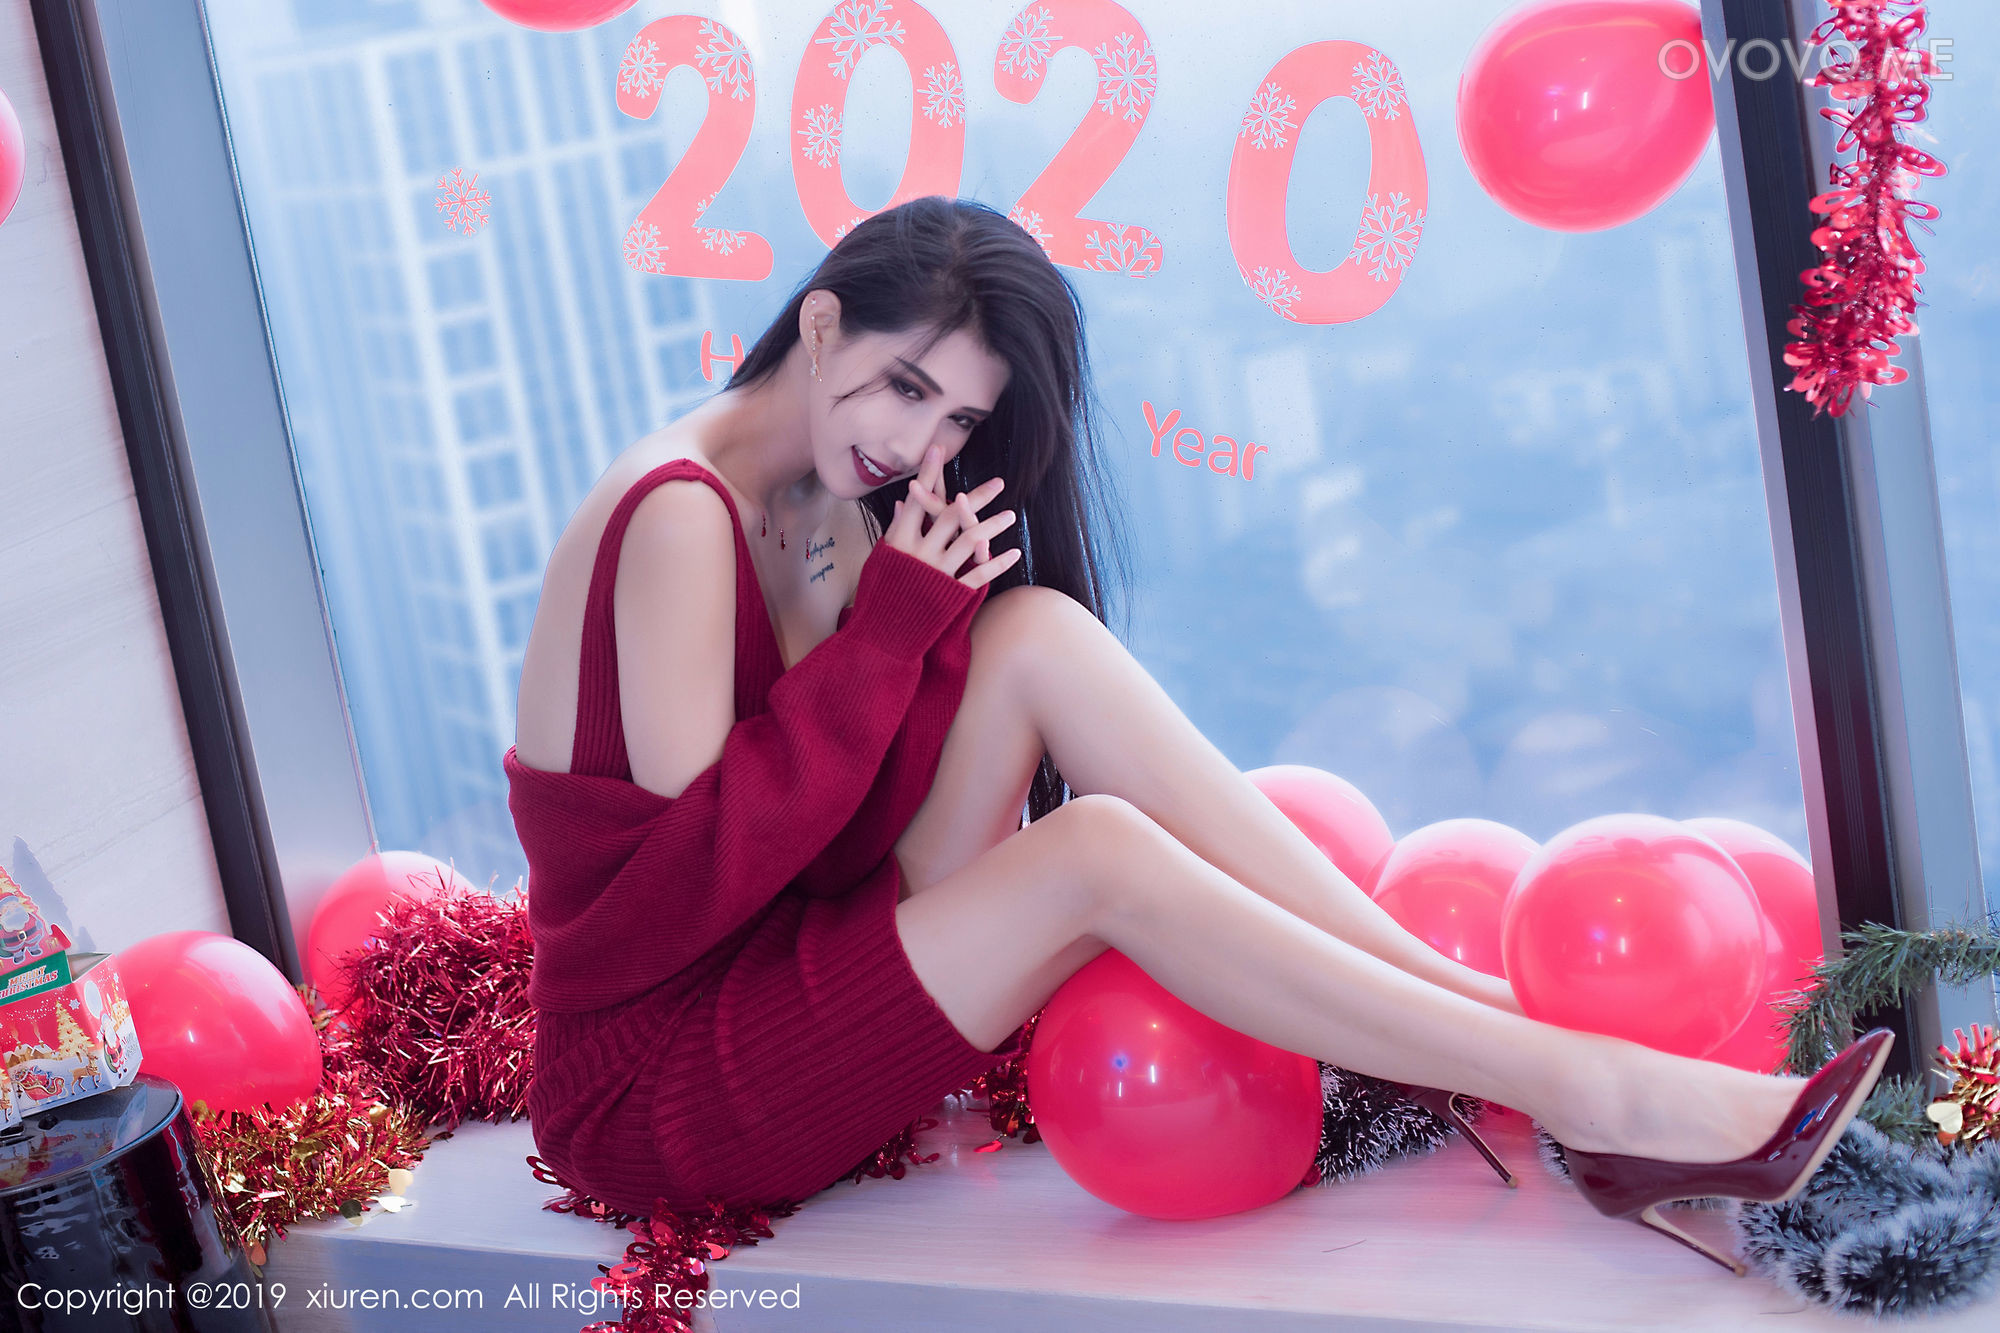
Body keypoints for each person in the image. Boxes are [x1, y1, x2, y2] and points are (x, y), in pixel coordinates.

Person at [505, 196, 1889, 1272]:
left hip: (788, 976)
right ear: (819, 327)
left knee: (1033, 632)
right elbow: (695, 894)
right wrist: (889, 634)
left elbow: (835, 833)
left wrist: (917, 633)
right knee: (1094, 851)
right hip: (658, 1084)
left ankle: (1492, 1025)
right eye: (905, 387)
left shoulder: (828, 494)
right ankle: (1599, 1095)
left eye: (960, 417)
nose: (919, 443)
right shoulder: (680, 515)